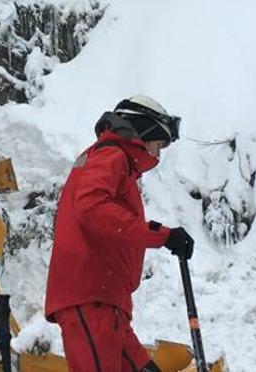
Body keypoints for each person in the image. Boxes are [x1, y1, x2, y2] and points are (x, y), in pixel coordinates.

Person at [45, 95, 194, 372]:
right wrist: (162, 236)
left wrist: (142, 364)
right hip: (91, 295)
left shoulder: (114, 163)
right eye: (158, 144)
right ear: (144, 130)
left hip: (106, 301)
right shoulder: (111, 156)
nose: (158, 155)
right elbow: (91, 207)